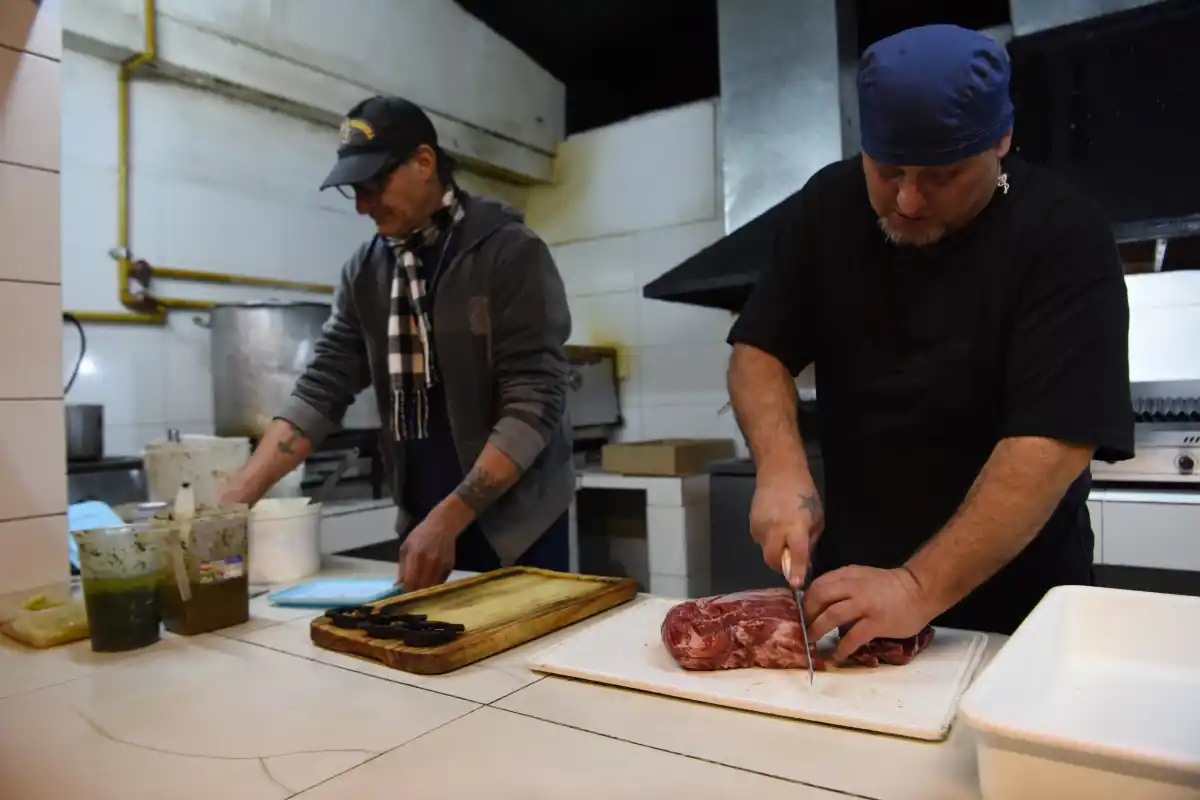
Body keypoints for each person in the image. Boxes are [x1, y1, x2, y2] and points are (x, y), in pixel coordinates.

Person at [726, 24, 1134, 657]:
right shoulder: (827, 208)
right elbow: (761, 349)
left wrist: (918, 587)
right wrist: (780, 469)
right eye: (888, 170)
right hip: (853, 601)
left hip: (1016, 611)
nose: (909, 201)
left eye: (943, 176)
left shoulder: (1063, 234)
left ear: (1001, 140)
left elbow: (1053, 440)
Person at [220, 95, 575, 591]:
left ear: (424, 163)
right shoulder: (367, 272)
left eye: (373, 183)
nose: (364, 204)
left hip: (515, 526)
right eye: (355, 191)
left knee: (520, 663)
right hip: (425, 523)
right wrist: (234, 500)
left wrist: (452, 516)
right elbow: (323, 388)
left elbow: (534, 401)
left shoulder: (508, 253)